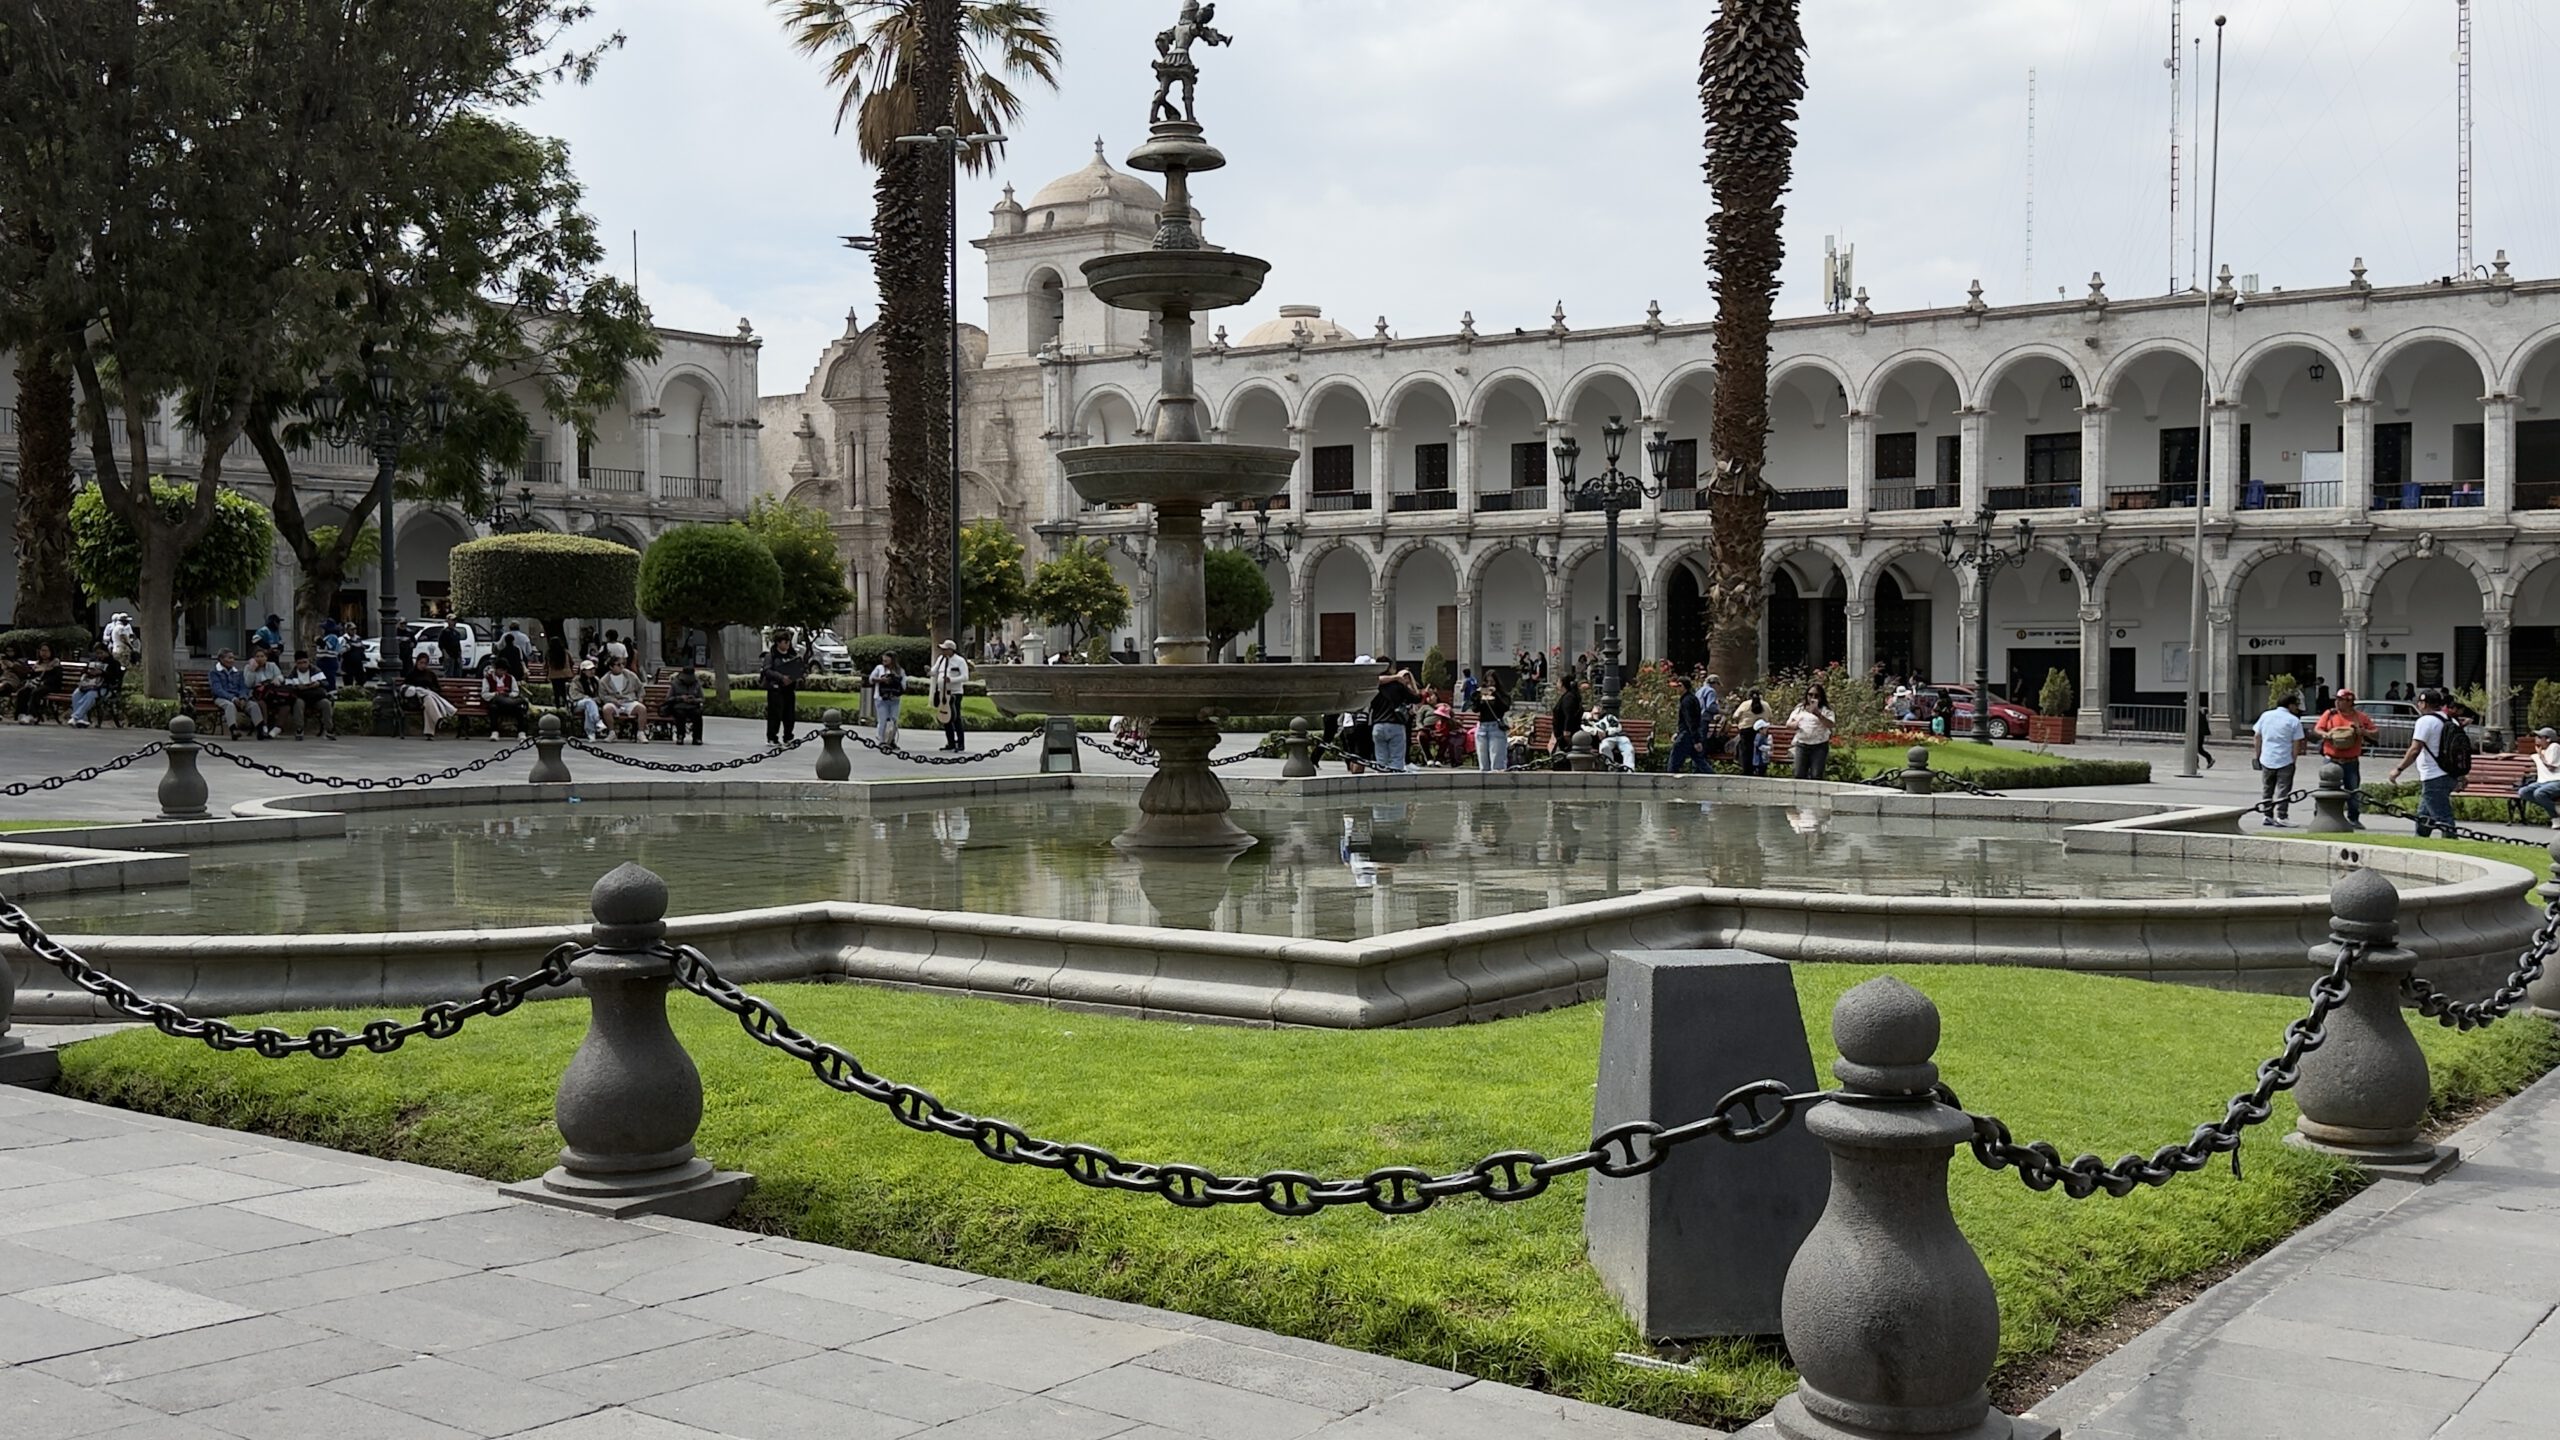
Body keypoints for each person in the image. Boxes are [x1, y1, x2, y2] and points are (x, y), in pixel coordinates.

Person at [2386, 689, 2460, 838]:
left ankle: (2452, 844)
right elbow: (2458, 751)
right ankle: (2420, 840)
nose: (2418, 705)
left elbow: (2415, 749)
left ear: (2424, 704)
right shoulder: (2451, 721)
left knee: (2443, 817)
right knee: (2424, 816)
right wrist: (2461, 775)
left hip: (2434, 776)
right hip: (2449, 774)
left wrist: (2399, 769)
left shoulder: (2425, 721)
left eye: (2419, 702)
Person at [2314, 688, 2379, 829]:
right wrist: (2326, 734)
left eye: (2341, 700)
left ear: (2350, 702)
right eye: (2337, 699)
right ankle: (2320, 816)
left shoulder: (2360, 717)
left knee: (2353, 790)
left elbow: (2375, 732)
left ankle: (2353, 818)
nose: (2337, 702)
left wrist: (2364, 732)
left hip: (2351, 761)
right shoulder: (2330, 714)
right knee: (2326, 790)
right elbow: (2318, 729)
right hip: (2331, 759)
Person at [2252, 691, 2307, 827]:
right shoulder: (2294, 720)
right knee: (2283, 789)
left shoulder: (2266, 715)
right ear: (2290, 705)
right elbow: (2296, 743)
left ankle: (2267, 815)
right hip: (2285, 758)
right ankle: (2282, 815)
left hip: (2267, 757)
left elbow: (2257, 736)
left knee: (2267, 788)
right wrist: (2294, 759)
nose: (2297, 708)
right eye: (2296, 705)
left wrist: (2258, 755)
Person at [1368, 666, 1419, 772]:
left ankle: (1381, 777)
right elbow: (1415, 698)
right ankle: (1395, 778)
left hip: (1378, 725)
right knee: (1397, 759)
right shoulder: (1398, 686)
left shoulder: (1374, 687)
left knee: (1381, 760)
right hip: (1395, 724)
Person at [759, 633, 807, 747]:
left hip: (789, 689)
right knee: (775, 714)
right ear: (778, 643)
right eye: (785, 642)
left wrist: (800, 675)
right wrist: (781, 677)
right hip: (776, 689)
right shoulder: (771, 656)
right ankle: (772, 737)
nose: (787, 644)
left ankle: (788, 736)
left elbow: (799, 668)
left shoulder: (792, 655)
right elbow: (767, 670)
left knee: (789, 714)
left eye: (788, 642)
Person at [401, 651, 457, 738]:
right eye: (421, 663)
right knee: (428, 698)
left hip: (429, 698)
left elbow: (437, 688)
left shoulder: (430, 674)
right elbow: (407, 689)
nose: (423, 665)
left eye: (425, 663)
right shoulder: (411, 674)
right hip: (416, 700)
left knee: (429, 701)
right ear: (417, 662)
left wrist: (429, 689)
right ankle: (438, 720)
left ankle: (430, 732)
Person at [66, 644, 122, 729]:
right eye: (97, 653)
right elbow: (84, 672)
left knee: (90, 695)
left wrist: (102, 673)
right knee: (76, 694)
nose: (99, 655)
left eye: (101, 653)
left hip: (105, 688)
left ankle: (76, 717)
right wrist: (89, 672)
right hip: (89, 685)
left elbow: (114, 678)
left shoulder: (114, 663)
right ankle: (82, 719)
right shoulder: (93, 661)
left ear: (107, 652)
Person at [282, 650, 334, 740]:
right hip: (301, 696)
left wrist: (318, 683)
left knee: (326, 703)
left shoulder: (315, 670)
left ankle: (329, 729)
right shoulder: (293, 673)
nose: (303, 665)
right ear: (296, 663)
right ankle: (299, 729)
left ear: (308, 661)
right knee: (298, 703)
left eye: (305, 662)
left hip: (315, 697)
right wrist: (297, 687)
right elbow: (288, 686)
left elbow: (326, 683)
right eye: (300, 663)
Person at [1788, 683, 1836, 780]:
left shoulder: (1825, 710)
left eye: (1816, 695)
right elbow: (1788, 724)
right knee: (1799, 773)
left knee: (1816, 775)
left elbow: (1831, 724)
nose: (1813, 698)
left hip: (1819, 745)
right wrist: (1795, 725)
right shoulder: (1800, 709)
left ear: (1821, 697)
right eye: (1810, 695)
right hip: (1802, 744)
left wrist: (1818, 714)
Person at [930, 640, 970, 752]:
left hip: (954, 693)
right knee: (945, 717)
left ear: (951, 650)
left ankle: (960, 743)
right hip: (942, 692)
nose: (943, 651)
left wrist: (951, 680)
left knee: (955, 717)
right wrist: (930, 672)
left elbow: (965, 677)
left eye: (945, 649)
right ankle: (950, 742)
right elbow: (934, 671)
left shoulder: (960, 661)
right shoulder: (941, 659)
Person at [1667, 675, 1709, 774]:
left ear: (1684, 687)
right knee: (1699, 761)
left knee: (1674, 762)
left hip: (1686, 735)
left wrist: (1696, 740)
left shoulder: (1687, 701)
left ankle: (1669, 780)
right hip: (1689, 734)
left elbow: (1690, 721)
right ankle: (1714, 778)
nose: (1677, 689)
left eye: (1679, 686)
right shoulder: (1691, 698)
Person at [599, 655, 647, 741]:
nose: (622, 666)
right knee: (606, 709)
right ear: (611, 667)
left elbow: (640, 688)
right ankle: (611, 733)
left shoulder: (630, 675)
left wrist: (640, 698)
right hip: (614, 702)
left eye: (623, 664)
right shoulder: (604, 680)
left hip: (629, 700)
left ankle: (641, 733)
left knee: (642, 709)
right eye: (618, 664)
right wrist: (613, 700)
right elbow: (603, 695)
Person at [208, 650, 256, 737]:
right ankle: (233, 729)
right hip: (221, 698)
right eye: (229, 658)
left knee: (253, 705)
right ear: (221, 659)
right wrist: (232, 698)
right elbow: (217, 690)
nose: (232, 660)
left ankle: (260, 728)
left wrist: (242, 697)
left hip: (238, 697)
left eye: (233, 658)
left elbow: (243, 687)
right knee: (230, 705)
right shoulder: (214, 672)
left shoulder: (238, 672)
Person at [12, 642, 63, 724]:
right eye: (42, 651)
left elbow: (57, 677)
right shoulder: (38, 664)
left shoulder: (55, 663)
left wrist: (44, 682)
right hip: (36, 684)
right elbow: (31, 675)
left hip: (50, 686)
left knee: (36, 692)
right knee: (23, 692)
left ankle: (32, 715)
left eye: (46, 651)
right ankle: (22, 714)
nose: (44, 653)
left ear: (51, 652)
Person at [244, 646, 289, 739]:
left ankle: (277, 729)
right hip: (258, 694)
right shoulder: (248, 668)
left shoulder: (272, 666)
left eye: (262, 656)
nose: (260, 659)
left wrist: (277, 679)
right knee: (261, 703)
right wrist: (252, 670)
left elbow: (280, 676)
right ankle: (264, 726)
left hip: (272, 693)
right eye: (257, 656)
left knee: (285, 705)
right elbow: (248, 684)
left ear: (266, 657)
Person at [479, 661, 530, 740]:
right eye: (500, 670)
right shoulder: (488, 679)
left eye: (504, 670)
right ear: (496, 669)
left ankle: (521, 732)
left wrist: (508, 694)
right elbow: (485, 694)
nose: (502, 672)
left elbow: (515, 692)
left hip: (509, 702)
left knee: (519, 709)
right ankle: (494, 732)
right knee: (493, 708)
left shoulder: (510, 678)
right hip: (496, 703)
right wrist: (496, 694)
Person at [2522, 727, 2560, 829]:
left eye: (2539, 737)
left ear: (2548, 739)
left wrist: (2540, 755)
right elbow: (2528, 756)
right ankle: (2555, 809)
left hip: (2557, 781)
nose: (2536, 739)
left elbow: (2551, 767)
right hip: (2542, 783)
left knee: (2539, 793)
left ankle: (2555, 817)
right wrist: (2504, 755)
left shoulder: (2555, 747)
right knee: (2524, 792)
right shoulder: (2539, 752)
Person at [869, 651, 907, 750]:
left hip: (895, 699)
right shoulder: (879, 668)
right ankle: (881, 740)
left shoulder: (900, 671)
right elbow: (871, 679)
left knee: (893, 720)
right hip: (881, 698)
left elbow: (904, 685)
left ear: (892, 659)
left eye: (887, 659)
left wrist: (896, 683)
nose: (884, 661)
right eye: (883, 659)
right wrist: (882, 680)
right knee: (883, 719)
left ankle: (891, 740)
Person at [1475, 669, 1510, 771]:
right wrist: (1477, 697)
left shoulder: (1501, 694)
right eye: (1487, 682)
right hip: (1482, 728)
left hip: (1495, 728)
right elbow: (1475, 709)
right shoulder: (1483, 695)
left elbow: (1505, 707)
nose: (1489, 684)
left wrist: (1495, 695)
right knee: (1483, 764)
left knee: (1497, 763)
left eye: (1492, 682)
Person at [664, 662, 706, 745]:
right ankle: (680, 736)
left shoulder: (696, 684)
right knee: (680, 714)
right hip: (679, 706)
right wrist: (680, 698)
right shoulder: (675, 684)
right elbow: (668, 698)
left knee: (697, 714)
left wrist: (694, 700)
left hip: (692, 706)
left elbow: (702, 698)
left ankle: (697, 737)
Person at [1731, 689, 1771, 775]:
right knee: (1760, 750)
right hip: (1761, 731)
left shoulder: (1745, 704)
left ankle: (1747, 771)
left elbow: (1735, 716)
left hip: (1746, 730)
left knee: (1746, 751)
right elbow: (1770, 716)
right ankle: (1760, 770)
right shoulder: (1766, 705)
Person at [566, 659, 605, 739]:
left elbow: (601, 692)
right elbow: (574, 694)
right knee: (588, 702)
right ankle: (597, 720)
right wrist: (586, 697)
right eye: (589, 670)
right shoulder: (576, 680)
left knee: (589, 708)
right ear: (583, 671)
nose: (592, 671)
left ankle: (591, 733)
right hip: (578, 703)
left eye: (593, 669)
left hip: (593, 704)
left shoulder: (596, 680)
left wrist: (597, 699)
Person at [1551, 673, 1584, 758]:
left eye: (1558, 681)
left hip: (1566, 734)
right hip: (1560, 733)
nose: (1556, 684)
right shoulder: (1566, 696)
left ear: (1562, 684)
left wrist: (1566, 730)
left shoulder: (1569, 697)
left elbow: (1569, 715)